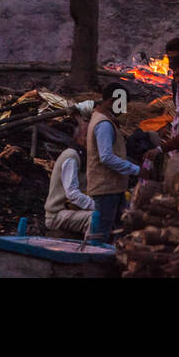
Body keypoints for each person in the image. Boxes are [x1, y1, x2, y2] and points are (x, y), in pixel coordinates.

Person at [85, 82, 141, 242]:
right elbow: (106, 157)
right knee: (101, 234)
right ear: (111, 101)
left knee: (119, 230)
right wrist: (135, 170)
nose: (123, 110)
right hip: (105, 189)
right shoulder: (103, 124)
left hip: (114, 188)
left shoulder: (103, 119)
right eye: (121, 104)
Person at [44, 118, 96, 235]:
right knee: (95, 218)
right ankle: (90, 250)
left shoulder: (83, 156)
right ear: (80, 138)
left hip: (69, 210)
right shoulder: (71, 156)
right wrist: (96, 206)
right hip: (57, 214)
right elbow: (72, 193)